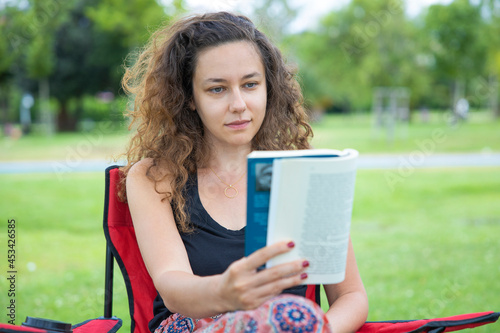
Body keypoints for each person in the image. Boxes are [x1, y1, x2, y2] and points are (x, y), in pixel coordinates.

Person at [120, 11, 368, 333]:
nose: (238, 104)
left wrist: (321, 331)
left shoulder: (304, 174)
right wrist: (224, 292)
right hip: (195, 327)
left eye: (250, 84)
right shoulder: (155, 178)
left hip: (283, 326)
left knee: (285, 316)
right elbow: (173, 287)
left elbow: (350, 295)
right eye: (217, 89)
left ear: (268, 87)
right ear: (190, 98)